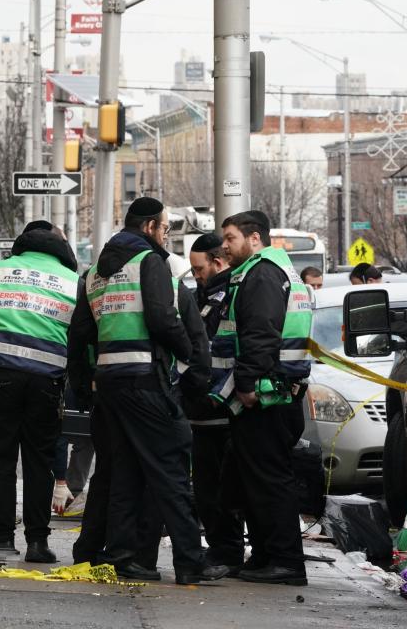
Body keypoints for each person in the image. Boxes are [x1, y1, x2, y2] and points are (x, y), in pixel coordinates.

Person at [73, 197, 226, 584]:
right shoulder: (149, 263)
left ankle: (124, 557)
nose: (166, 235)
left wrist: (83, 390)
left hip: (109, 386)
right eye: (164, 228)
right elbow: (161, 317)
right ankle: (190, 562)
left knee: (123, 471)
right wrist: (187, 351)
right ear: (149, 228)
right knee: (171, 471)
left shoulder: (94, 274)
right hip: (146, 382)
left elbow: (81, 336)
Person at [0, 220, 78, 563]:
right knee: (40, 462)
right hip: (46, 381)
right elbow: (82, 333)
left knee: (1, 459)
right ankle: (38, 544)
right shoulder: (72, 281)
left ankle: (1, 537)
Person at [215, 210, 312, 586]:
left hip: (266, 398)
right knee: (253, 479)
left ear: (255, 239)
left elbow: (259, 334)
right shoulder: (281, 272)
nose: (225, 245)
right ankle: (266, 555)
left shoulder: (262, 275)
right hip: (279, 394)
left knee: (270, 481)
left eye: (231, 238)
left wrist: (246, 384)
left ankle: (286, 562)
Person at [186, 233, 245, 573]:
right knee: (207, 489)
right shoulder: (202, 296)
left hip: (221, 407)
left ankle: (228, 552)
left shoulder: (229, 297)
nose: (196, 275)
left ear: (217, 262)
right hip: (203, 408)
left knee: (220, 490)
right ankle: (223, 551)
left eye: (199, 269)